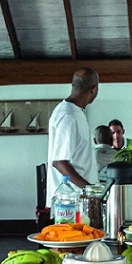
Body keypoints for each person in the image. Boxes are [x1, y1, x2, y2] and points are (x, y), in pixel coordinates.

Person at [46, 67, 99, 202]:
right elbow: (60, 162)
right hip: (69, 202)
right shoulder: (69, 116)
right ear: (94, 89)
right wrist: (89, 189)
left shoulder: (75, 112)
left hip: (78, 198)